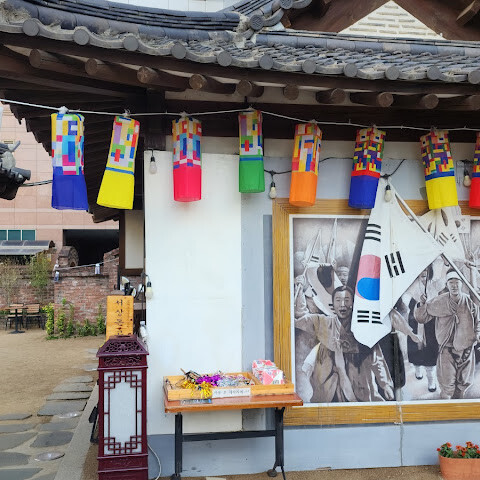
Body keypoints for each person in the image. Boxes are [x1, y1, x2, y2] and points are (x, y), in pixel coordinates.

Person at [296, 285, 394, 403]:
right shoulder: (324, 323)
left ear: (353, 303)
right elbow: (301, 318)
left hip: (358, 381)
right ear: (333, 304)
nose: (342, 304)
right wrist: (300, 290)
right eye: (338, 300)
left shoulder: (361, 327)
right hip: (329, 383)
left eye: (347, 300)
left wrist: (385, 384)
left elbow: (376, 358)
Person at [414, 268, 480, 399]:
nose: (454, 285)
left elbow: (478, 320)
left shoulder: (469, 302)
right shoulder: (439, 301)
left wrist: (478, 334)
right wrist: (422, 304)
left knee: (463, 385)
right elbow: (421, 318)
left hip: (466, 351)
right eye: (451, 282)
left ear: (462, 283)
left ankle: (458, 409)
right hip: (447, 351)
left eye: (457, 282)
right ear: (447, 284)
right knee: (447, 387)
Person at [397, 266, 438, 392]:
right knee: (415, 347)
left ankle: (431, 379)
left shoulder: (434, 284)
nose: (423, 272)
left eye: (426, 269)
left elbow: (443, 284)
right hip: (414, 320)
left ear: (430, 271)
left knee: (431, 349)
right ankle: (418, 369)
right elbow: (405, 299)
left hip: (431, 322)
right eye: (420, 269)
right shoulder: (412, 285)